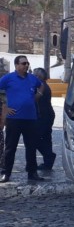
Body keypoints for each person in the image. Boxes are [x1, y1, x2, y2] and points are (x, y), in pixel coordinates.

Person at [0, 55, 45, 183]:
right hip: (14, 119)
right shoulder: (8, 78)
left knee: (31, 147)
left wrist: (38, 95)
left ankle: (32, 173)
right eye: (23, 63)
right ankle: (6, 173)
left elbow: (41, 85)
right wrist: (5, 106)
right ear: (16, 65)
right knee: (10, 147)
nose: (26, 65)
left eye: (27, 63)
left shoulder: (32, 78)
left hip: (30, 119)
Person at [33, 67, 56, 170]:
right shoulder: (44, 86)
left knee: (35, 139)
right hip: (48, 115)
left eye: (34, 74)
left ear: (39, 76)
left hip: (43, 116)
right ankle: (48, 162)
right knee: (47, 139)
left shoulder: (40, 87)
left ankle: (49, 156)